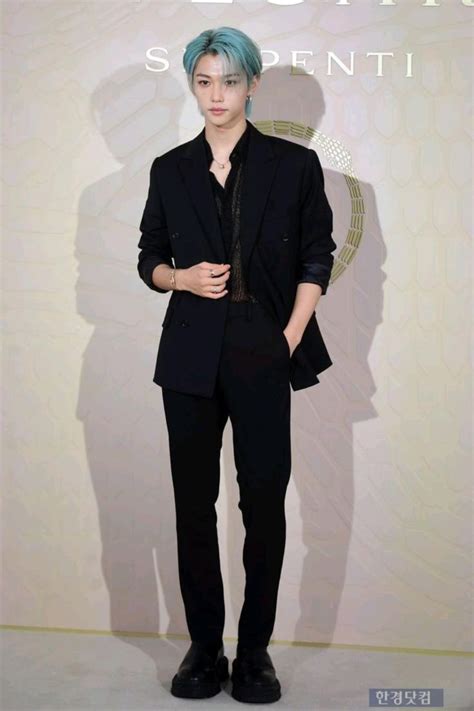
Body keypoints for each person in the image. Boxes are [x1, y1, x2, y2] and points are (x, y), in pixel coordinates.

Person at [137, 26, 337, 705]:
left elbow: (317, 255)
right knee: (193, 506)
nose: (215, 95)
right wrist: (180, 278)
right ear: (192, 86)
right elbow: (149, 257)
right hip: (188, 351)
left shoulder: (294, 164)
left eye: (228, 81)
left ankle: (254, 653)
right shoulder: (170, 168)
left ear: (252, 84)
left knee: (264, 504)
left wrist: (287, 338)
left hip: (262, 346)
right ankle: (203, 648)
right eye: (203, 81)